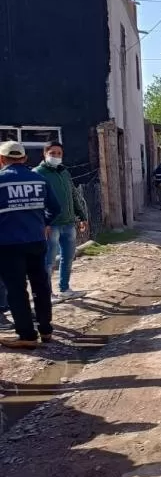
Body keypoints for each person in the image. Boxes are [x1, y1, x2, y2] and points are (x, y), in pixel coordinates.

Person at [0, 141, 61, 349]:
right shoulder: (40, 179)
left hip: (8, 245)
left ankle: (26, 334)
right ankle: (46, 330)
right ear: (24, 159)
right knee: (40, 285)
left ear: (1, 159)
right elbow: (55, 208)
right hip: (36, 241)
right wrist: (44, 223)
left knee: (16, 289)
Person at [34, 141, 88, 301]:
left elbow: (73, 195)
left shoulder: (64, 172)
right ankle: (47, 293)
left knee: (68, 256)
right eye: (52, 153)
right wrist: (43, 222)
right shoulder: (37, 173)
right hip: (51, 225)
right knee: (48, 259)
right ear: (45, 154)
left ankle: (65, 288)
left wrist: (81, 216)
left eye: (59, 153)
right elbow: (36, 201)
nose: (56, 156)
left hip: (69, 222)